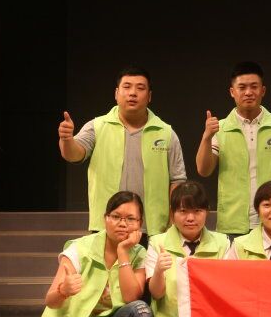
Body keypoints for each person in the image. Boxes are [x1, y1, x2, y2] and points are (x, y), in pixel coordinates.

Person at [58, 66, 186, 236]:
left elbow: (177, 180)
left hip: (153, 229)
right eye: (127, 87)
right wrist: (67, 139)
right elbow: (74, 154)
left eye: (140, 88)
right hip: (106, 227)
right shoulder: (97, 126)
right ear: (116, 93)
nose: (132, 93)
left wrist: (172, 221)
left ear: (149, 96)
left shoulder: (166, 132)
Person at [196, 62, 271, 237]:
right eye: (242, 87)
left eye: (254, 87)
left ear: (263, 91)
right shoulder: (221, 128)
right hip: (232, 224)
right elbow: (204, 170)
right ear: (232, 92)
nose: (248, 92)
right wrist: (206, 137)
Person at [144, 181, 229, 317]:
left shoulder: (222, 243)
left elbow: (227, 289)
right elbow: (156, 293)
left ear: (207, 212)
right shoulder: (157, 243)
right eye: (183, 211)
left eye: (197, 211)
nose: (190, 218)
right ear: (173, 214)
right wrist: (159, 270)